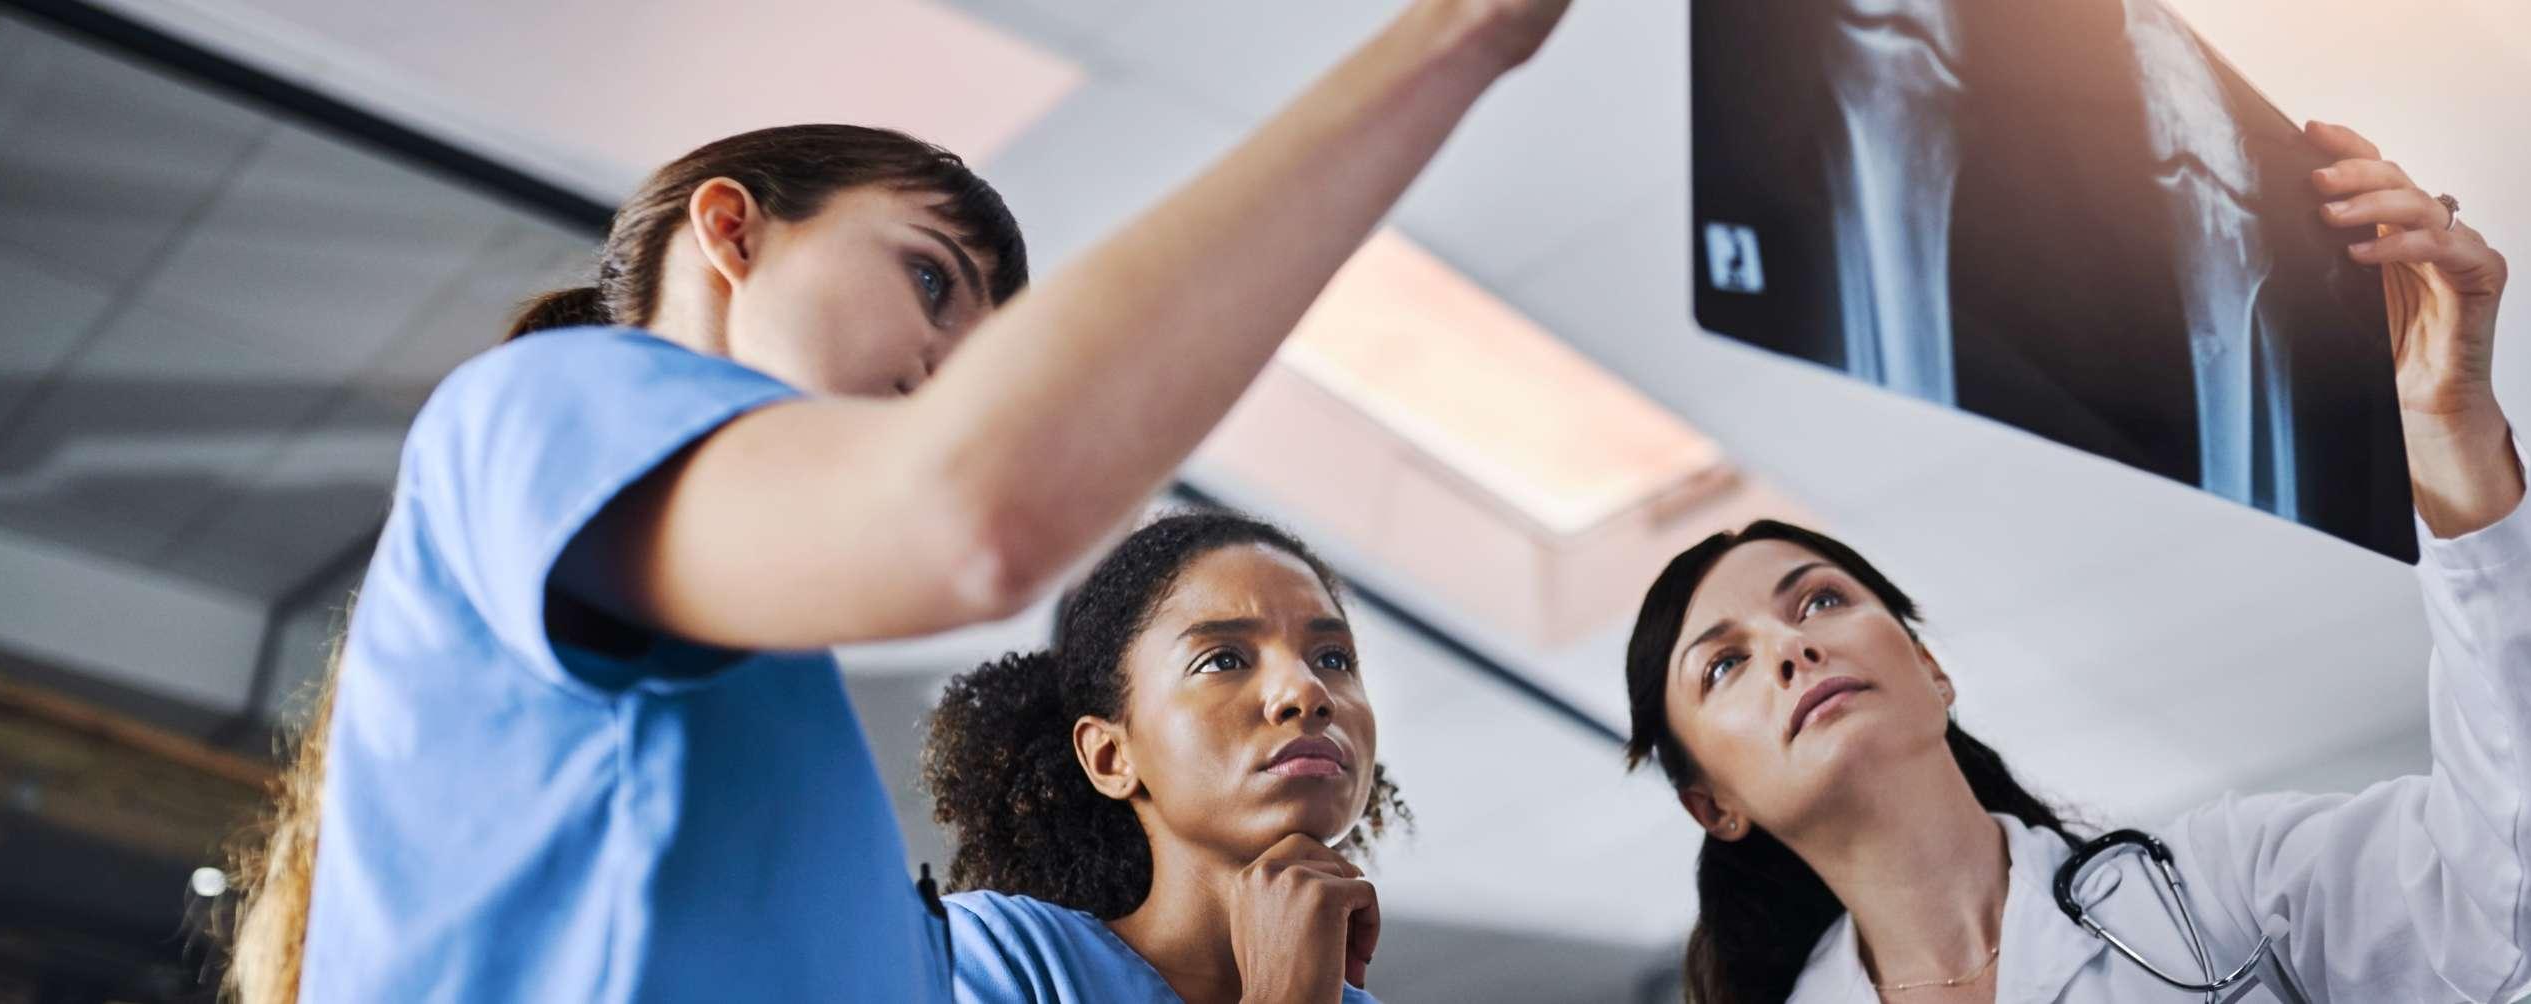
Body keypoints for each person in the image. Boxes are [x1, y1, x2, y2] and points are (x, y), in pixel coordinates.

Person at [221, 1, 1576, 1000]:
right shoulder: (541, 409)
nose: (946, 372)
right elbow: (973, 517)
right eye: (931, 280)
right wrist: (1463, 36)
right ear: (732, 231)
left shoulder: (817, 822)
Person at [1620, 121, 2531, 1003]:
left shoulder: (2219, 895)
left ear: (1932, 669)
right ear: (1713, 802)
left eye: (1821, 598)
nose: (1792, 646)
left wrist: (2448, 438)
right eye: (1724, 664)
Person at [924, 511, 1407, 1003]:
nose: (1309, 690)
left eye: (1333, 659)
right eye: (1223, 660)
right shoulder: (992, 955)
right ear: (1111, 756)